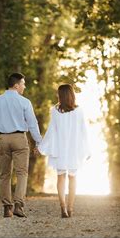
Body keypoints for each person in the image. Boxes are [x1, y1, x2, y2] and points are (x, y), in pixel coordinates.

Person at [0, 73, 43, 218]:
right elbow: (32, 124)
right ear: (16, 85)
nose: (24, 86)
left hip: (3, 139)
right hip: (19, 138)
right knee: (22, 173)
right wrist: (39, 142)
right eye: (23, 84)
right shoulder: (24, 102)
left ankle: (7, 207)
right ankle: (18, 205)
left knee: (4, 174)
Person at [38, 84, 91, 218]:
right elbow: (84, 131)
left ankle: (63, 207)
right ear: (72, 95)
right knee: (72, 178)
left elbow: (51, 131)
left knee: (61, 178)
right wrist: (88, 149)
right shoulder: (79, 111)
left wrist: (41, 146)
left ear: (61, 96)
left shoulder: (55, 111)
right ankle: (70, 208)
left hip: (60, 149)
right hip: (74, 149)